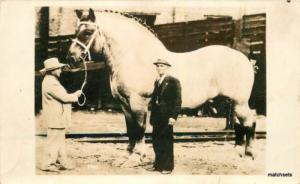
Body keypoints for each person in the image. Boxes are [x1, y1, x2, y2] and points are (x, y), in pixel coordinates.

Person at [38, 57, 82, 172]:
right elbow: (64, 97)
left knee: (59, 141)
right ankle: (46, 164)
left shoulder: (50, 80)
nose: (60, 70)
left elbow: (61, 96)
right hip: (55, 117)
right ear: (52, 70)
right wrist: (76, 95)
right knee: (53, 141)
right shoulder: (52, 83)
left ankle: (62, 161)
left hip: (56, 116)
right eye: (58, 68)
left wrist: (73, 95)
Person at [149, 58, 182, 174]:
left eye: (162, 66)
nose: (159, 68)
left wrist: (173, 117)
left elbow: (178, 101)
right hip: (157, 117)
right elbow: (154, 100)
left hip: (167, 116)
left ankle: (168, 166)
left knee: (167, 141)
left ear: (167, 67)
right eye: (157, 66)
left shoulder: (173, 81)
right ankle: (158, 165)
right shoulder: (157, 81)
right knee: (156, 140)